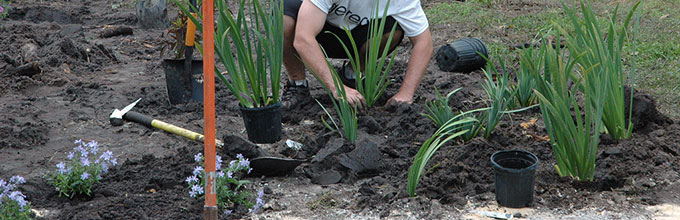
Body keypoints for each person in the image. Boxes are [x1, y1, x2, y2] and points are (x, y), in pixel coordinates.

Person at [281, 0, 433, 110]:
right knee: (284, 19)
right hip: (320, 32)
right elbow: (303, 38)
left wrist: (406, 93)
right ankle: (297, 85)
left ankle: (352, 75)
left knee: (393, 30)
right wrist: (337, 88)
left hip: (359, 38)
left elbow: (423, 42)